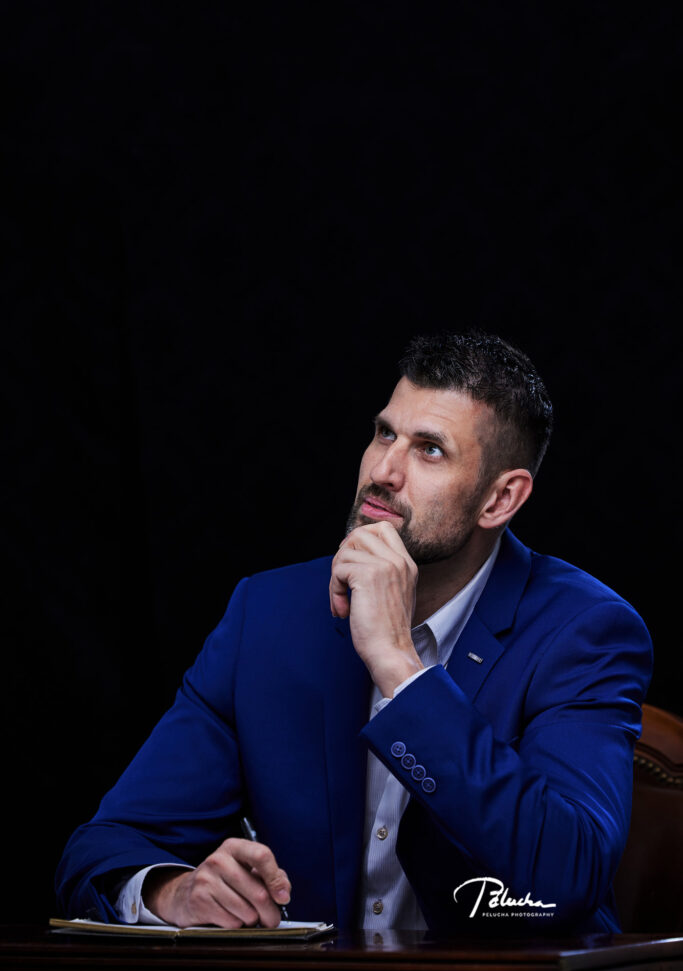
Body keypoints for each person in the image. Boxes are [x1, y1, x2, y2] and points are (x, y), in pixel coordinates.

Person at [56, 331, 652, 935]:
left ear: (500, 498)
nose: (383, 471)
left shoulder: (585, 632)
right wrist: (171, 890)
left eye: (430, 450)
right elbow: (103, 849)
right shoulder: (268, 615)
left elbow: (564, 877)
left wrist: (400, 665)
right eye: (385, 434)